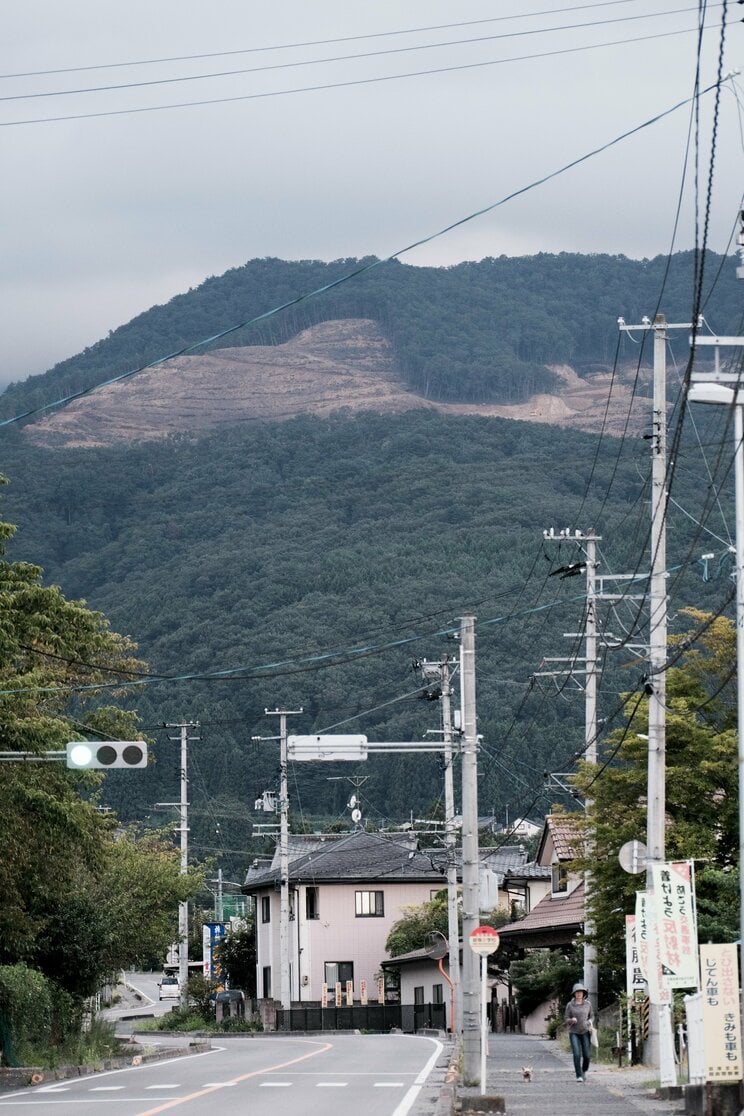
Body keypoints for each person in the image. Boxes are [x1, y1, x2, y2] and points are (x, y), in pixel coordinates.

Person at [564, 981, 593, 1083]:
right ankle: (578, 1075)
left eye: (581, 992)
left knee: (587, 1055)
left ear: (584, 993)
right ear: (574, 994)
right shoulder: (570, 1005)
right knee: (576, 1054)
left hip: (585, 1031)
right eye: (577, 992)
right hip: (574, 1032)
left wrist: (589, 1022)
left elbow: (592, 1016)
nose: (579, 994)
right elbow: (566, 1018)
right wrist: (571, 1020)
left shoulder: (588, 1004)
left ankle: (584, 1070)